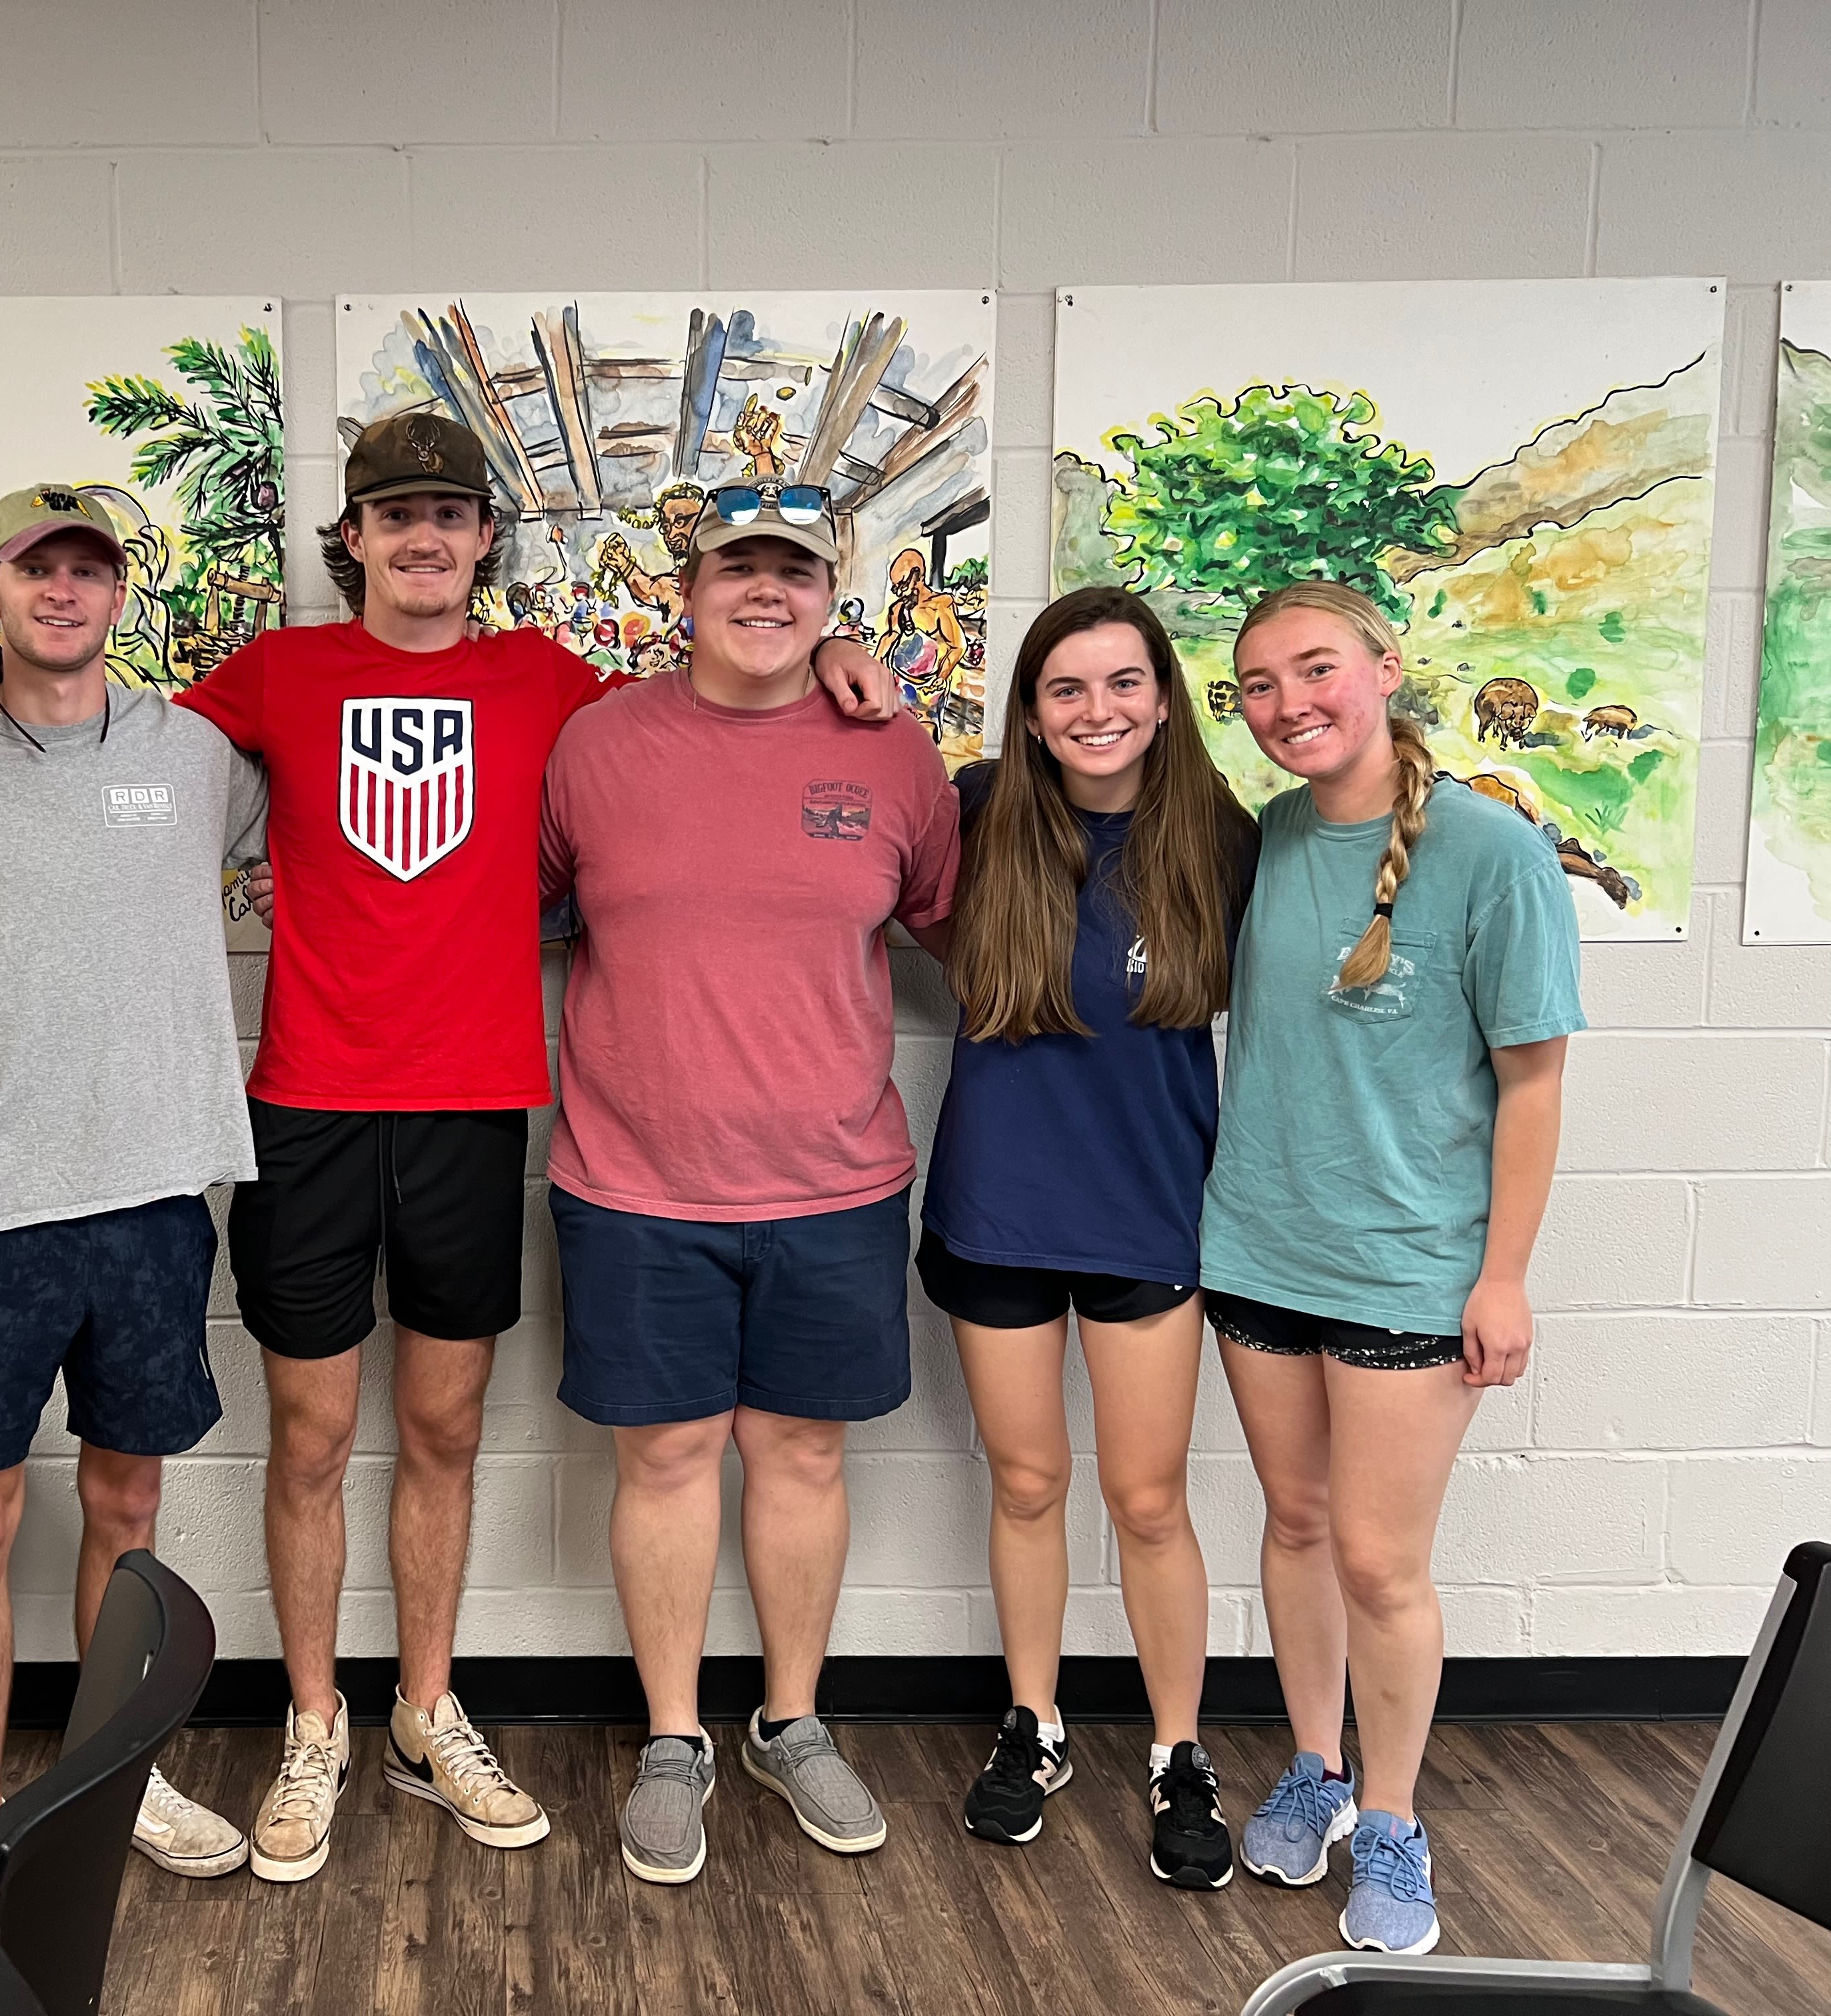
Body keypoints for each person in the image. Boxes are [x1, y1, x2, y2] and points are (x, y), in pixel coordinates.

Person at [0, 413, 901, 1886]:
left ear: (486, 540)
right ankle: (316, 1721)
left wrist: (839, 655)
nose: (423, 537)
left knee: (443, 1432)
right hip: (307, 1105)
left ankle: (427, 1709)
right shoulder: (270, 678)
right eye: (394, 514)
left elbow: (717, 689)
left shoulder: (554, 687)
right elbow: (77, 732)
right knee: (307, 1438)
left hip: (475, 1107)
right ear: (351, 539)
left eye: (449, 514)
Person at [0, 487, 265, 1967]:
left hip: (154, 1192)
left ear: (119, 591)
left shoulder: (198, 754)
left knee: (126, 1508)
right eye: (38, 565)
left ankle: (112, 1781)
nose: (65, 589)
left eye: (90, 566)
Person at [539, 488, 958, 1886]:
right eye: (739, 568)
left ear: (832, 596)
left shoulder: (893, 750)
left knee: (803, 1456)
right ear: (689, 587)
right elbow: (521, 903)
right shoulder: (596, 744)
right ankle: (674, 1739)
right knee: (663, 1461)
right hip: (634, 1184)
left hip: (833, 1184)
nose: (765, 592)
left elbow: (963, 924)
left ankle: (790, 1719)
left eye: (795, 571)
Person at [1206, 581, 1579, 1957]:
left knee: (1379, 1560)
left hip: (1412, 1267)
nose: (1289, 703)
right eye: (1258, 684)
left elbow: (1532, 1084)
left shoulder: (1493, 851)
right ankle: (1315, 1766)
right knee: (1296, 1524)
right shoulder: (1269, 840)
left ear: (1383, 665)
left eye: (1315, 669)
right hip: (1258, 1246)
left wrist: (1504, 1276)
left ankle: (1394, 1818)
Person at [915, 585, 1258, 1887]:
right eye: (1067, 688)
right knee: (1026, 1484)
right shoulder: (978, 812)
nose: (1096, 709)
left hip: (1147, 1213)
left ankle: (1178, 1751)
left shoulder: (1220, 839)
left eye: (1122, 683)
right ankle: (1035, 1722)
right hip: (997, 1211)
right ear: (1031, 711)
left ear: (1163, 700)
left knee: (1149, 1498)